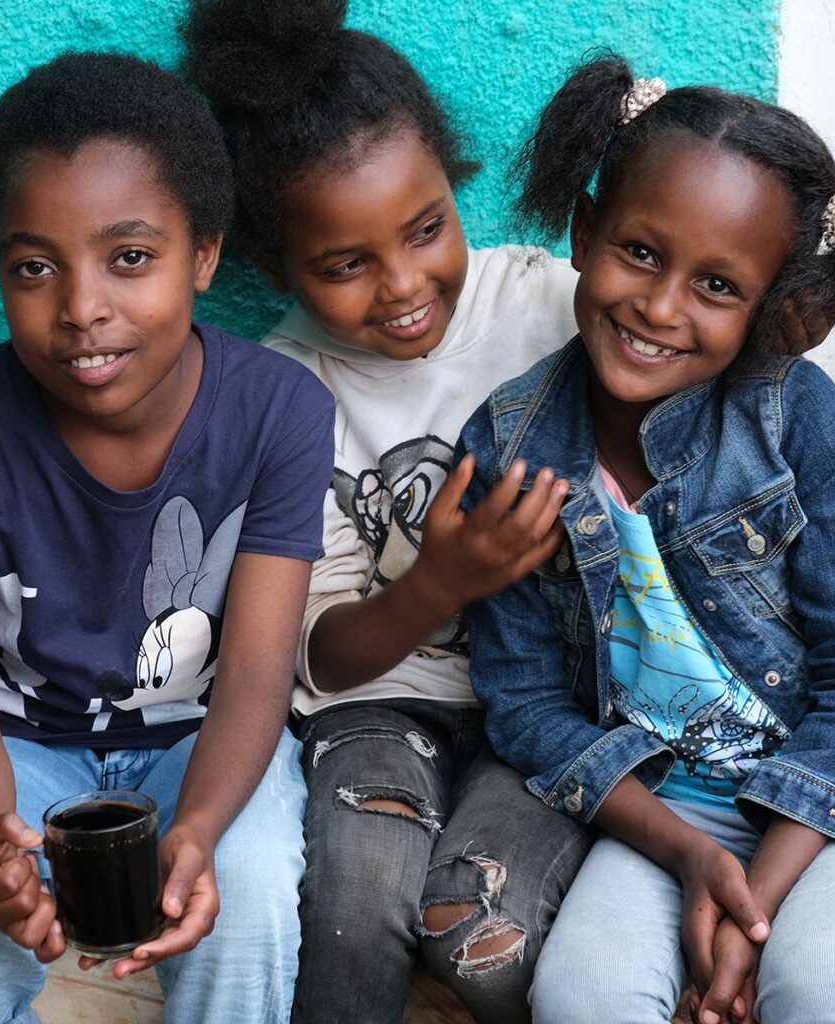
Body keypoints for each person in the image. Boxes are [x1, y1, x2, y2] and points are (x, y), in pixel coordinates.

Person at [455, 52, 835, 1024]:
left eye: (716, 284)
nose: (660, 307)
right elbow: (525, 704)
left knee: (820, 978)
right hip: (666, 805)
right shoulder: (505, 447)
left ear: (767, 306)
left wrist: (754, 903)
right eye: (639, 252)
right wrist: (690, 853)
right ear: (585, 232)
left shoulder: (799, 424)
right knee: (582, 992)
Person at [180, 3, 596, 1021]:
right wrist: (441, 584)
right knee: (355, 902)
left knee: (480, 935)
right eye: (344, 264)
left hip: (545, 707)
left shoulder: (546, 305)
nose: (404, 285)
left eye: (425, 230)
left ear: (457, 189)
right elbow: (309, 657)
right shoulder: (282, 393)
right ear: (273, 269)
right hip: (376, 707)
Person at [0, 51, 333, 1024]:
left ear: (205, 255)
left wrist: (199, 827)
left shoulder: (279, 413)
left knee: (252, 880)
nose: (82, 307)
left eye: (128, 257)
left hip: (206, 739)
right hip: (23, 745)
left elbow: (260, 671)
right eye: (34, 267)